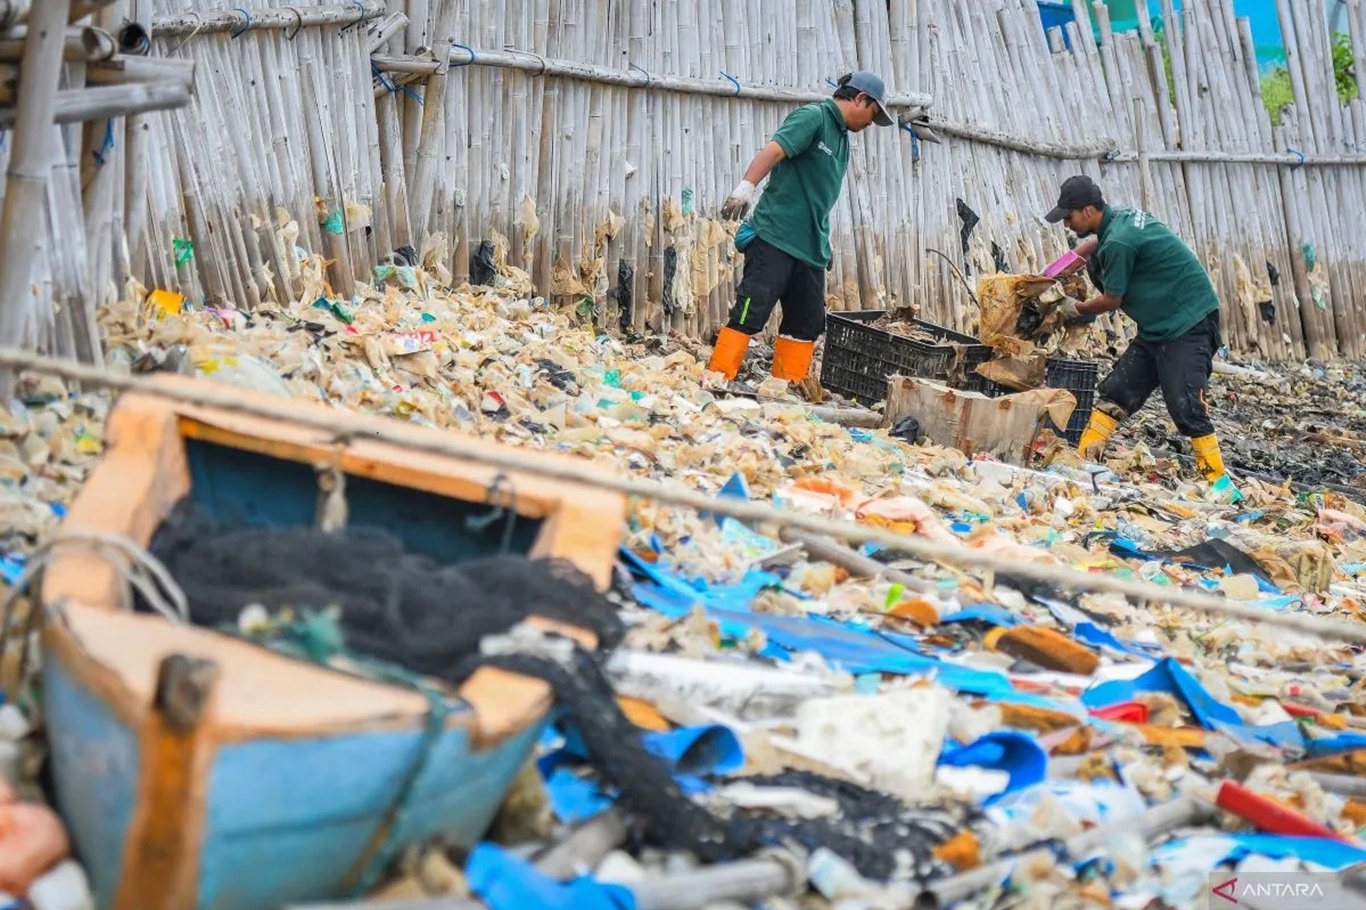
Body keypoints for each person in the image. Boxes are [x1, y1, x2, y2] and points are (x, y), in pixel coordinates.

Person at [707, 71, 894, 384]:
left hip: (810, 247)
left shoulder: (842, 138)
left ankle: (788, 386)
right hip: (775, 236)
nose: (869, 125)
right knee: (750, 311)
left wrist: (822, 238)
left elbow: (818, 193)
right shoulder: (814, 117)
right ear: (860, 98)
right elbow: (775, 150)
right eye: (872, 115)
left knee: (806, 322)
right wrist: (746, 186)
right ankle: (717, 378)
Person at [1044, 175, 1231, 484]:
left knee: (1186, 406)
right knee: (1116, 391)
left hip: (1188, 322)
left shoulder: (1119, 240)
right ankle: (1083, 463)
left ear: (1088, 210)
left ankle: (1218, 482)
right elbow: (1101, 243)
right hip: (1159, 325)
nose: (1066, 224)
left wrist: (1074, 309)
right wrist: (1079, 255)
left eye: (1069, 216)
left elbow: (1111, 300)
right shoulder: (1118, 220)